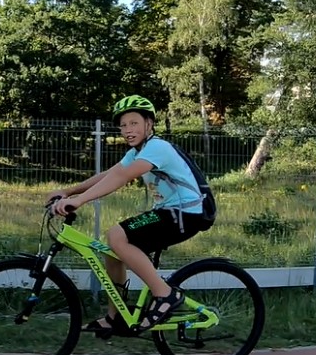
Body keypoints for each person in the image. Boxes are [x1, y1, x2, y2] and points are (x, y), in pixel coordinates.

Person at [49, 95, 207, 337]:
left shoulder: (158, 148)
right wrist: (69, 191)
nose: (127, 130)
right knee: (112, 250)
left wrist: (79, 201)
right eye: (123, 126)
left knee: (116, 235)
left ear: (149, 123)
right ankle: (116, 316)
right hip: (168, 213)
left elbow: (122, 178)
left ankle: (164, 294)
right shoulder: (138, 151)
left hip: (185, 214)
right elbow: (110, 174)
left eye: (133, 123)